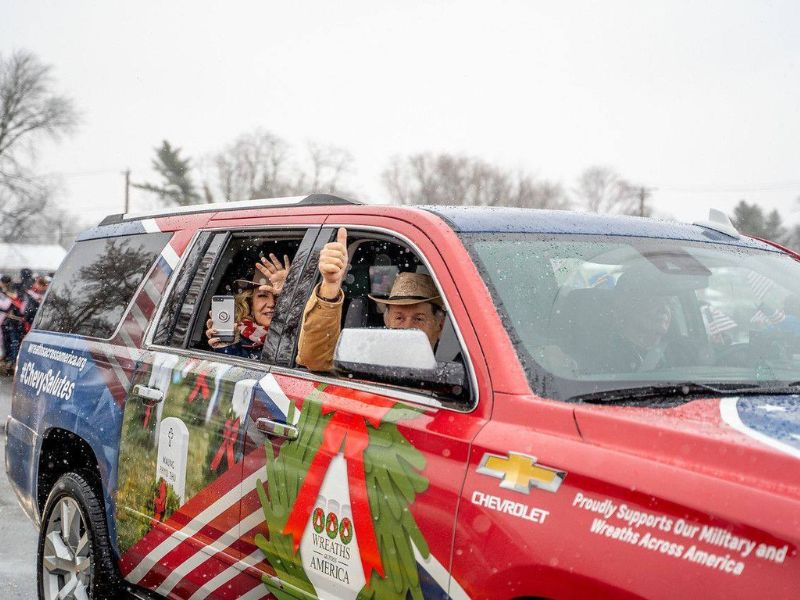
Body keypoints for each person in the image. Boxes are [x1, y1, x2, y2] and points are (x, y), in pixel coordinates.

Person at [296, 228, 446, 372]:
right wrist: (329, 286)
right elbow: (316, 360)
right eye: (399, 317)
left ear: (439, 325)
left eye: (419, 319)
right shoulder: (367, 361)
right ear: (387, 321)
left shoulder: (460, 375)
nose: (407, 328)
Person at [205, 253, 291, 359]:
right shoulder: (235, 337)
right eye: (263, 296)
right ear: (250, 303)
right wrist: (227, 348)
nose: (272, 303)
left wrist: (292, 291)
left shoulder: (298, 333)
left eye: (280, 296)